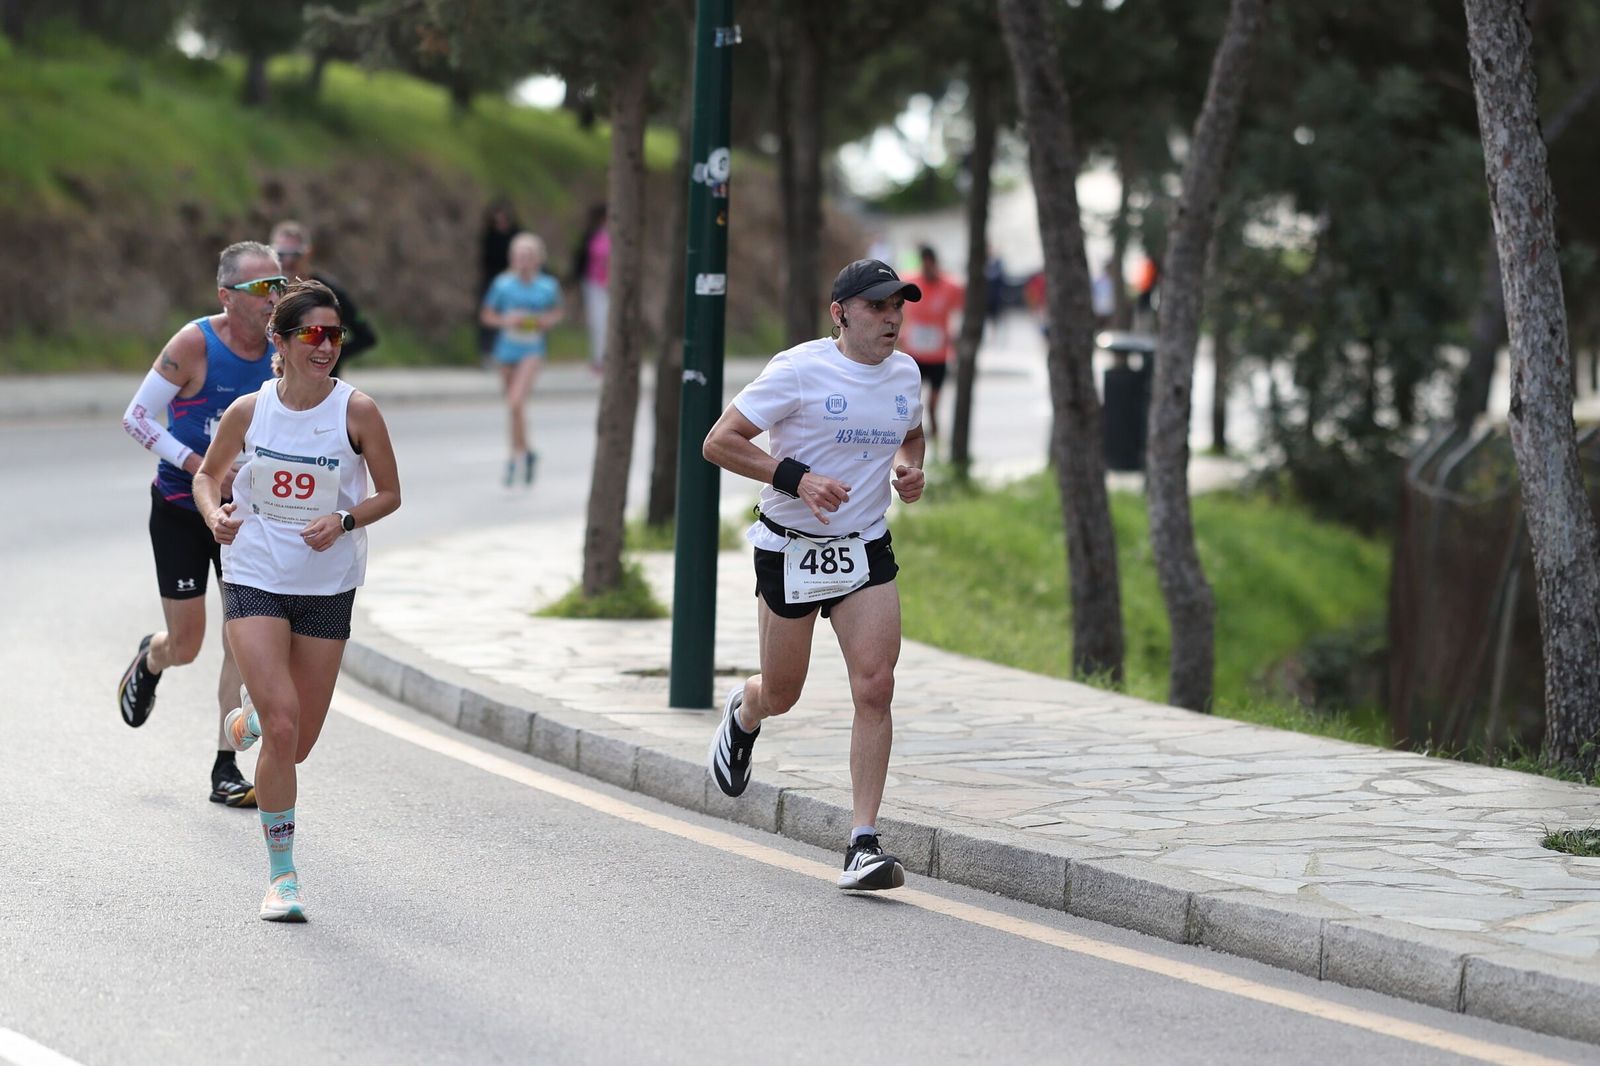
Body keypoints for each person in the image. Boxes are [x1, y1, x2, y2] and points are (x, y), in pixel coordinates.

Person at [702, 258, 927, 892]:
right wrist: (795, 477)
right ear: (841, 313)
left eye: (898, 306)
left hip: (864, 547)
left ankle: (862, 844)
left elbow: (911, 434)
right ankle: (745, 712)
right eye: (878, 307)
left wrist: (911, 469)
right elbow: (719, 441)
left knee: (876, 687)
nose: (892, 318)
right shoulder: (798, 370)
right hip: (791, 547)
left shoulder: (906, 372)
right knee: (783, 693)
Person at [194, 279, 402, 922]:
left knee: (295, 742)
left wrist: (343, 522)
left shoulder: (357, 411)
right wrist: (215, 518)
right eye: (312, 334)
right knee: (284, 725)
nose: (326, 346)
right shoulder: (251, 412)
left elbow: (390, 494)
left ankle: (247, 724)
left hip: (326, 585)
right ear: (277, 344)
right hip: (255, 571)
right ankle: (282, 879)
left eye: (335, 335)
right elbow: (207, 475)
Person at [118, 240, 285, 809]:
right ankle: (151, 656)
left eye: (280, 285)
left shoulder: (283, 347)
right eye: (262, 288)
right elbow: (135, 418)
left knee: (244, 637)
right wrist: (201, 469)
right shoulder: (195, 344)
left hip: (246, 520)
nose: (275, 299)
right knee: (187, 645)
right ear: (226, 296)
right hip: (181, 509)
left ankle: (225, 764)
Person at [481, 232, 564, 487]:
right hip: (506, 349)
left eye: (528, 255)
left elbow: (557, 312)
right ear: (511, 258)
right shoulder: (502, 284)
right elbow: (487, 315)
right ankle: (525, 453)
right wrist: (508, 320)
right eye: (518, 255)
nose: (523, 260)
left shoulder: (548, 286)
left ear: (538, 259)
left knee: (516, 401)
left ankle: (514, 457)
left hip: (531, 350)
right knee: (514, 408)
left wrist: (545, 322)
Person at [269, 221, 377, 365]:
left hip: (322, 380)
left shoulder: (330, 290)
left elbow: (366, 337)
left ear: (308, 253)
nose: (288, 261)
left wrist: (329, 353)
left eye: (295, 254)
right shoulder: (266, 290)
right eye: (281, 254)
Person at [900, 245, 965, 445]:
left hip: (938, 355)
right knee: (909, 406)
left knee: (933, 405)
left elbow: (963, 309)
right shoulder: (910, 282)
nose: (928, 269)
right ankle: (904, 441)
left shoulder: (950, 286)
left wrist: (956, 336)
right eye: (924, 265)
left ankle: (936, 443)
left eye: (931, 265)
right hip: (914, 355)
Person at [568, 203, 610, 373]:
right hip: (594, 284)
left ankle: (610, 357)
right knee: (598, 322)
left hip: (612, 285)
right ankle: (598, 358)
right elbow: (581, 259)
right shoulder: (592, 236)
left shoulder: (620, 236)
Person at [478, 199, 520, 361]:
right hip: (493, 279)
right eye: (497, 220)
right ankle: (487, 351)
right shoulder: (489, 235)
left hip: (514, 280)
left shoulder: (516, 235)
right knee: (489, 315)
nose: (501, 223)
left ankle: (512, 351)